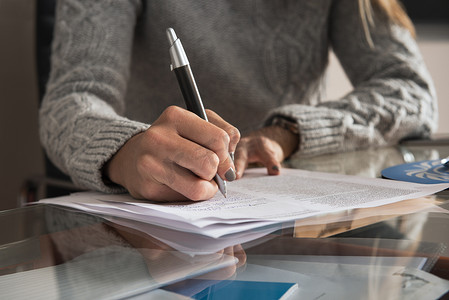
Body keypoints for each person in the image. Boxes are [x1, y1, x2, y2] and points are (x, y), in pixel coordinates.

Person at [39, 0, 437, 202]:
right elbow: (70, 100)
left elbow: (409, 89)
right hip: (156, 227)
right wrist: (127, 153)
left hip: (294, 218)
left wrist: (288, 133)